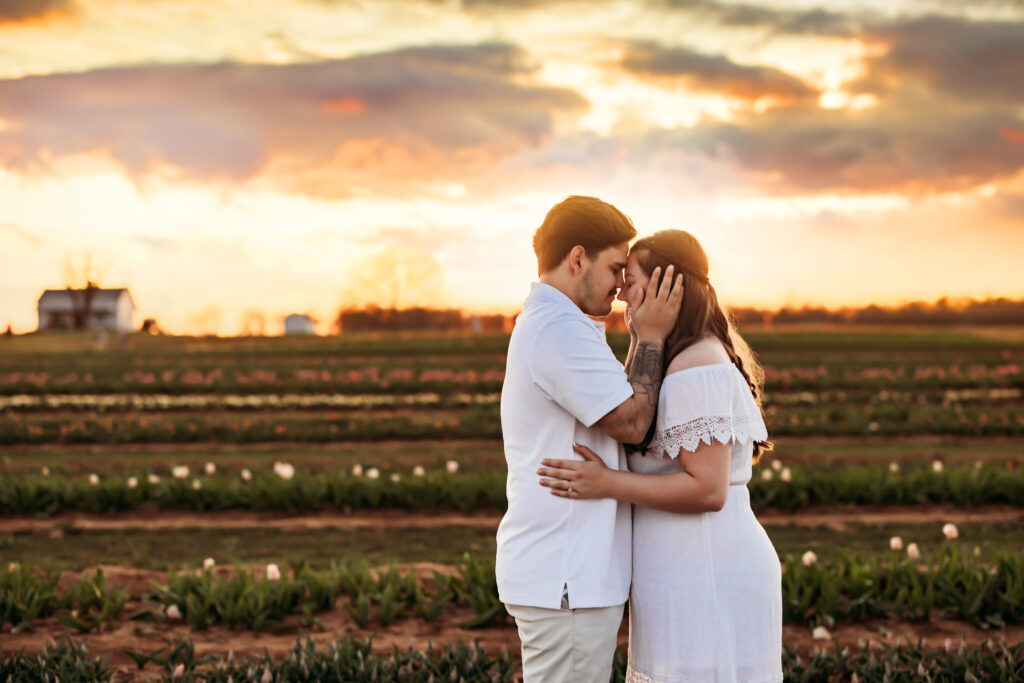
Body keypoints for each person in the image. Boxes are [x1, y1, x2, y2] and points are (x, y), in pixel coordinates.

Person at [537, 229, 783, 683]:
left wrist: (606, 483)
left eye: (630, 281)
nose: (621, 294)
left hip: (708, 572)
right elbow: (636, 415)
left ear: (668, 285)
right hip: (682, 575)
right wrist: (643, 335)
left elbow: (708, 490)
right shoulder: (676, 358)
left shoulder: (698, 364)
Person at [496, 196, 684, 683]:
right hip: (567, 574)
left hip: (563, 573)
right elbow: (632, 423)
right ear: (577, 258)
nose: (623, 287)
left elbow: (616, 405)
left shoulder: (559, 326)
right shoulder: (559, 330)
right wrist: (653, 336)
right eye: (616, 268)